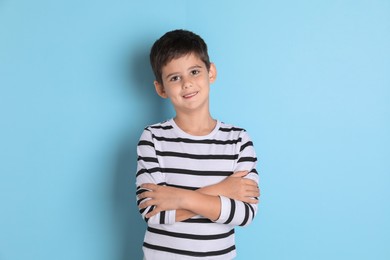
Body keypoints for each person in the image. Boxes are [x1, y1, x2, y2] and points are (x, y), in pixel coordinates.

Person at [136, 29, 260, 259]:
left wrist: (177, 198)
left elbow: (244, 214)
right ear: (161, 88)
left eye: (194, 72)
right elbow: (152, 213)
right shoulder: (152, 138)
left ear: (210, 72)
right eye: (175, 77)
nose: (187, 83)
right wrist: (223, 191)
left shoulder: (238, 140)